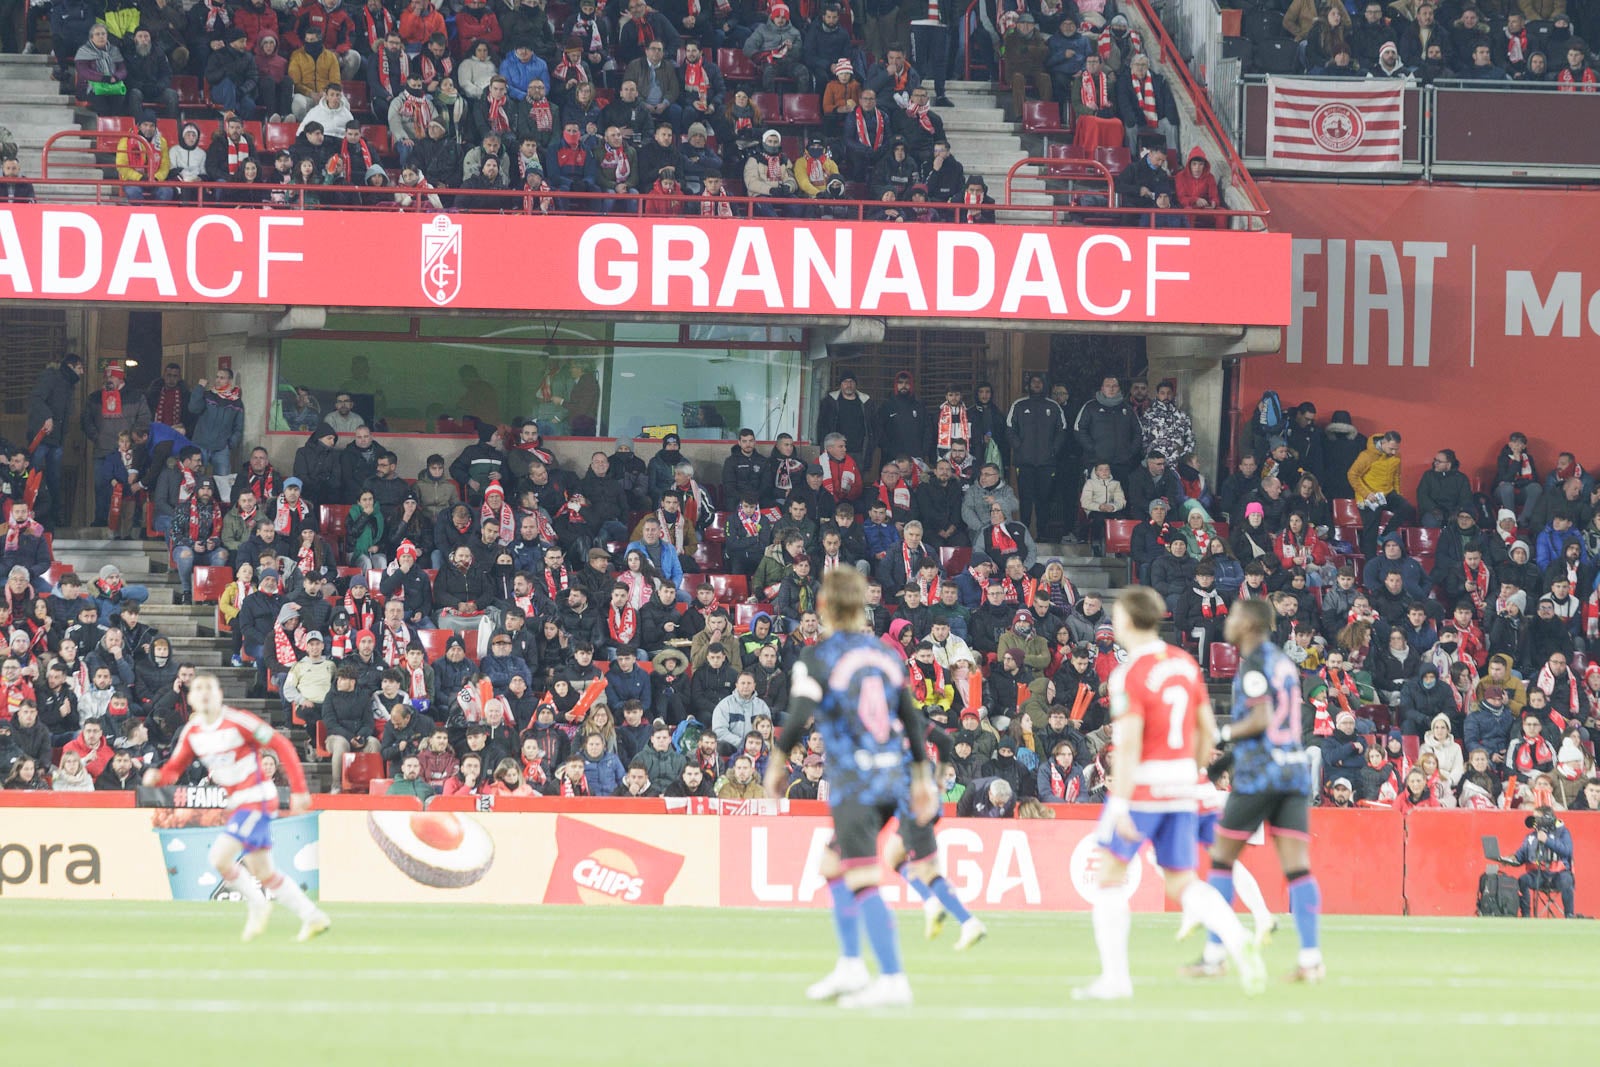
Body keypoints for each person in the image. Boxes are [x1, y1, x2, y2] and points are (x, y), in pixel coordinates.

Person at [1074, 586, 1263, 1001]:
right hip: (1184, 783)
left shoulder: (1128, 674)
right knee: (1181, 880)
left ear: (1126, 620)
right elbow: (1206, 729)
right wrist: (1192, 772)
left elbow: (1128, 743)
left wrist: (1119, 801)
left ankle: (1115, 980)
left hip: (1144, 784)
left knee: (1108, 875)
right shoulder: (1184, 662)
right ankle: (1237, 938)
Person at [765, 568, 938, 1009]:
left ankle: (893, 978)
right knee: (832, 865)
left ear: (823, 606)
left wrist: (777, 763)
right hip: (893, 775)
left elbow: (798, 713)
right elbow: (911, 718)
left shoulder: (818, 656)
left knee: (861, 877)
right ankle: (850, 965)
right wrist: (922, 777)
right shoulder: (885, 655)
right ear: (862, 605)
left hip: (855, 782)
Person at [1191, 598, 1324, 983]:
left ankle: (1215, 956)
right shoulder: (1283, 663)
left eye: (1234, 616)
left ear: (1249, 624)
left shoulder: (1253, 664)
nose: (1228, 621)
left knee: (1221, 859)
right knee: (1297, 868)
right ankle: (1311, 959)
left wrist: (1220, 734)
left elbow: (1261, 719)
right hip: (1293, 771)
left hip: (1261, 774)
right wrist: (1224, 763)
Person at [142, 673, 330, 941]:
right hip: (239, 803)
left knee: (219, 857)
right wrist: (157, 778)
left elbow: (281, 744)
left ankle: (259, 905)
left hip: (257, 798)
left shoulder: (237, 721)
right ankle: (313, 917)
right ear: (191, 698)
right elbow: (174, 769)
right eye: (198, 688)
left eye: (210, 687)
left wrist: (299, 790)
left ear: (219, 694)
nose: (204, 692)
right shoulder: (192, 733)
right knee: (264, 872)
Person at [1498, 806, 1575, 917]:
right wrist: (1508, 860)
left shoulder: (1562, 832)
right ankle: (1526, 915)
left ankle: (1569, 915)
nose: (1534, 821)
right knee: (1523, 880)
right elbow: (1520, 856)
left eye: (1537, 818)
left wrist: (1547, 840)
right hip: (1538, 875)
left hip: (1558, 874)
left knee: (1567, 880)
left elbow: (1567, 851)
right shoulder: (1531, 837)